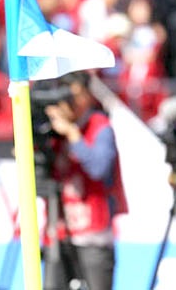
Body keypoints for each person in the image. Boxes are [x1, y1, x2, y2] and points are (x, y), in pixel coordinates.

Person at [43, 70, 127, 290]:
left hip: (93, 231)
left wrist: (73, 134)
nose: (72, 102)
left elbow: (99, 168)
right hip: (58, 230)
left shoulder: (100, 126)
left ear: (88, 95)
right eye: (67, 96)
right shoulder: (51, 130)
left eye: (77, 95)